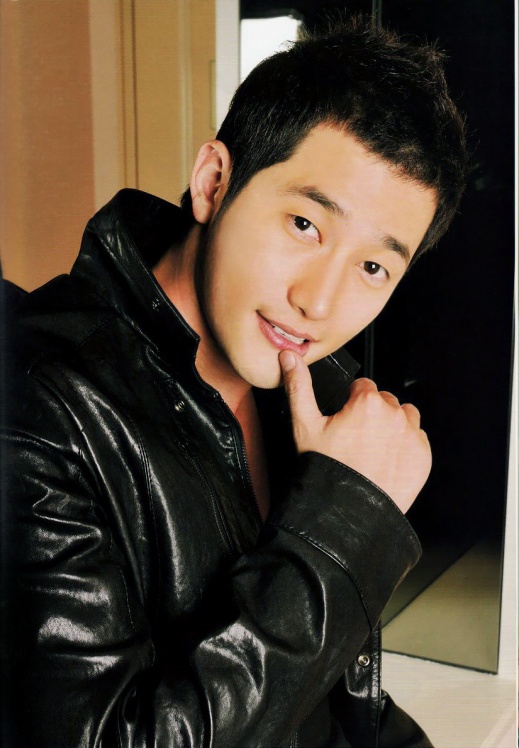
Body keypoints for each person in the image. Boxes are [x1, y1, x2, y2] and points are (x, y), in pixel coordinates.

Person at [1, 16, 467, 748]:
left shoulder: (320, 401)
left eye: (373, 267)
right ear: (213, 182)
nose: (319, 302)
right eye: (305, 225)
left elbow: (345, 705)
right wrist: (346, 525)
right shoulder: (40, 402)